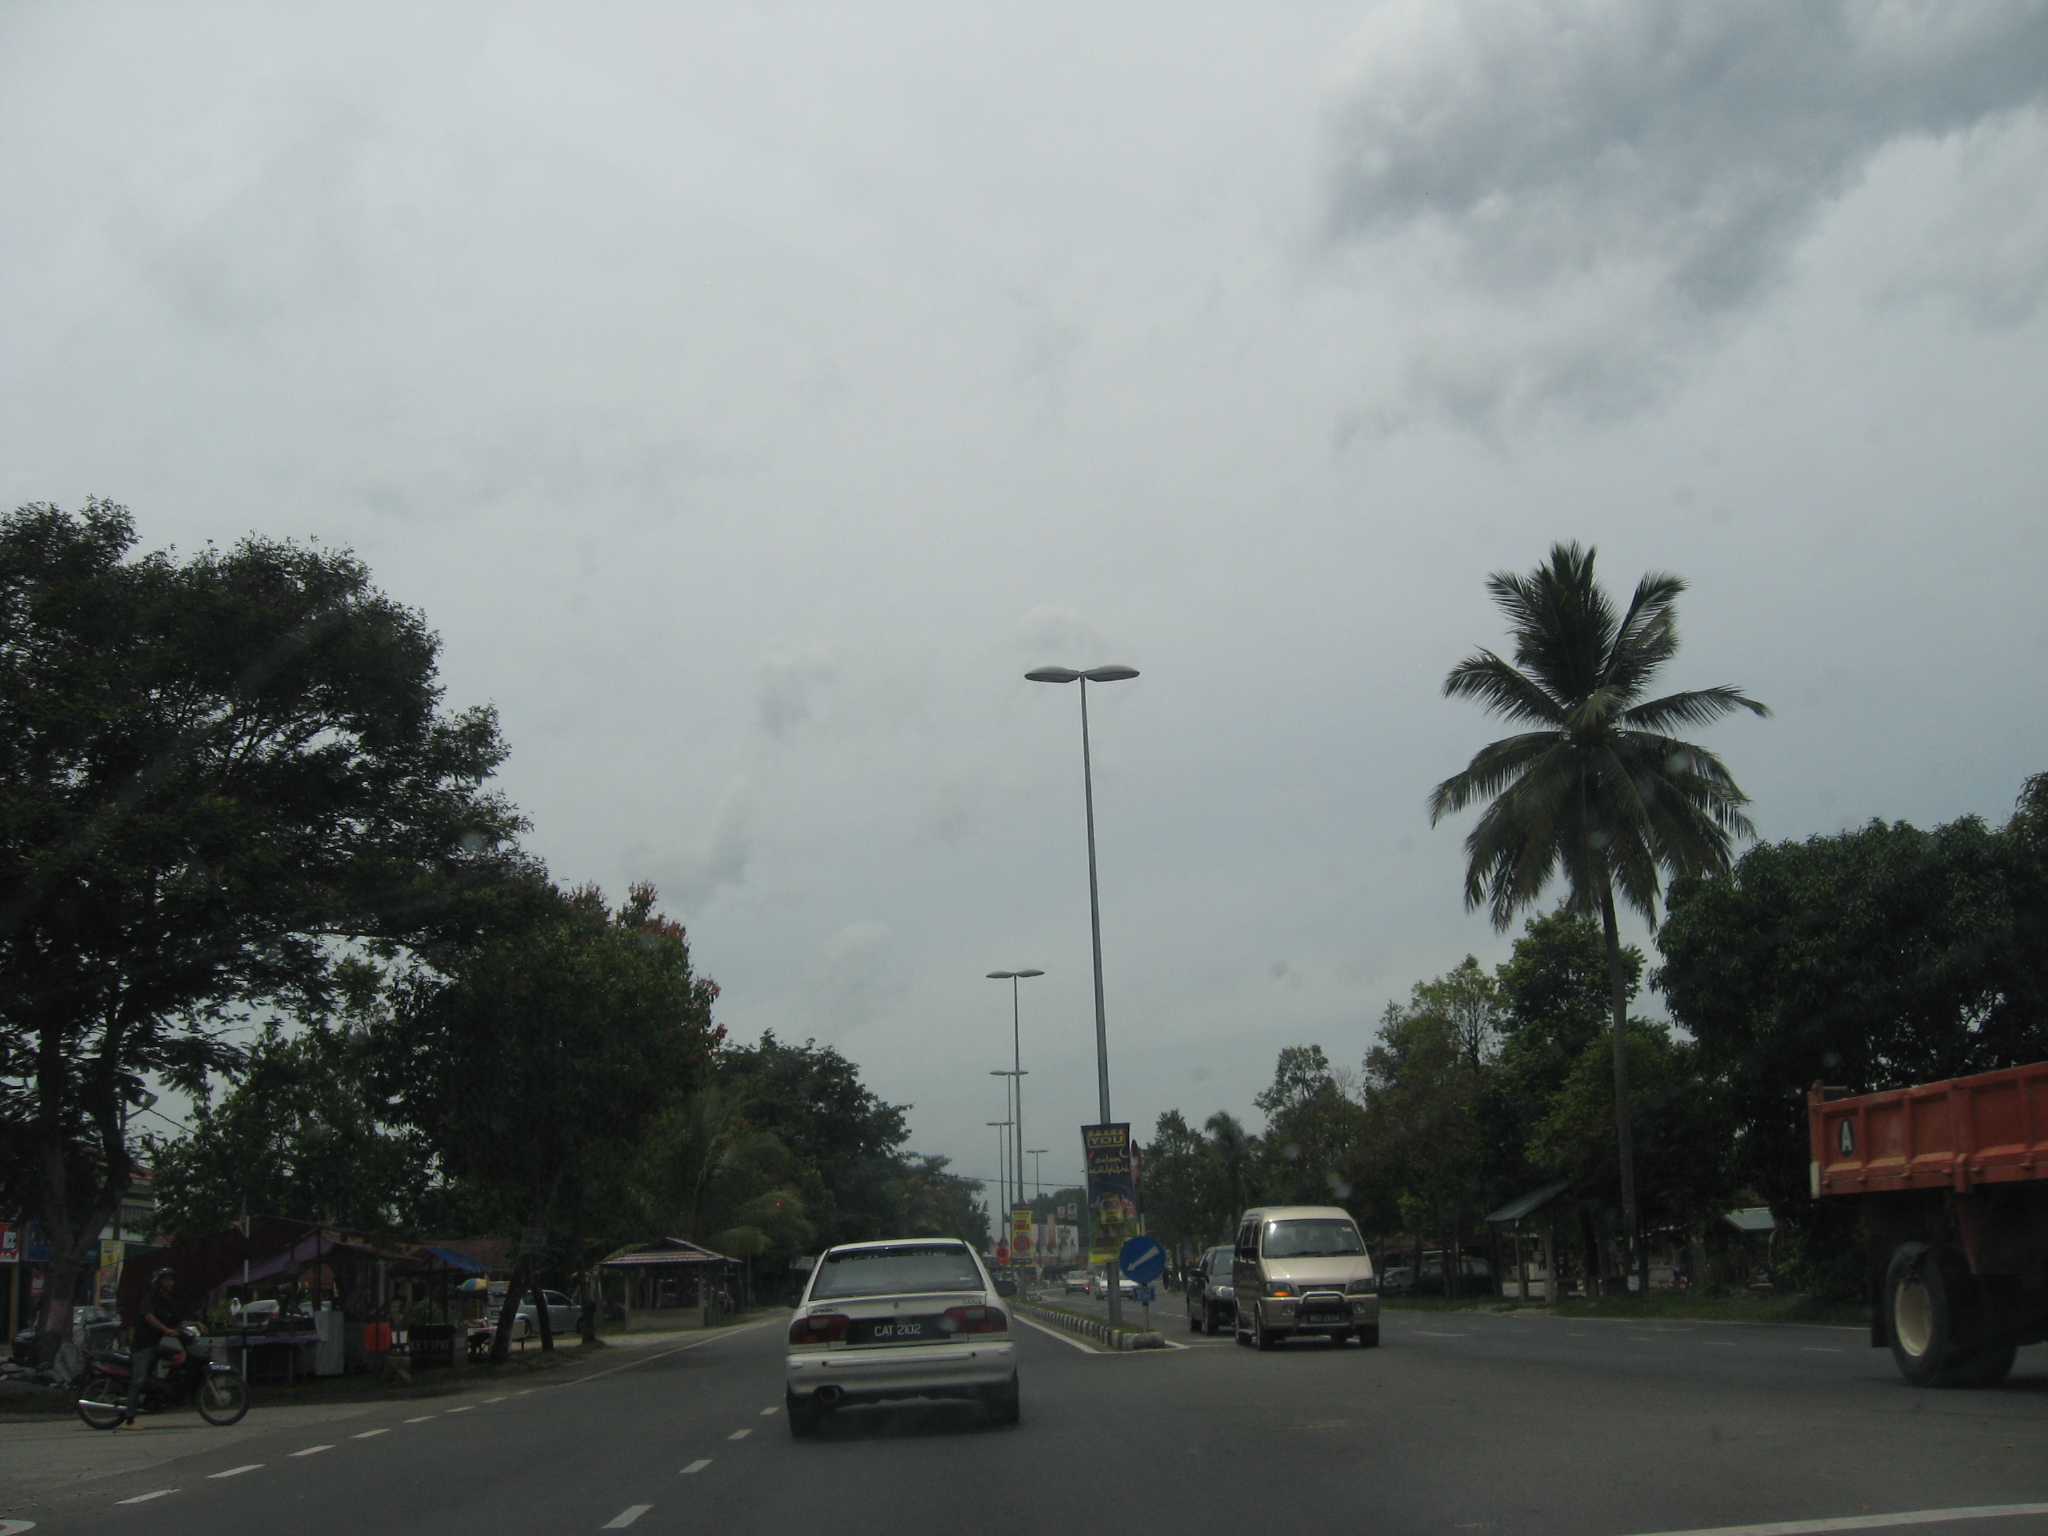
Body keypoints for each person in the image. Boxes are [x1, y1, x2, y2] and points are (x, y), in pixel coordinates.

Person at [123, 1268, 183, 1429]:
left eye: (171, 1280)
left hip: (155, 1345)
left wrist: (196, 1324)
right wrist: (166, 1329)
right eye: (166, 1280)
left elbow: (177, 1321)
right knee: (138, 1381)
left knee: (178, 1356)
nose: (169, 1283)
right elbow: (148, 1316)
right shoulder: (149, 1298)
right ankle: (129, 1420)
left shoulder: (168, 1302)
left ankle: (160, 1393)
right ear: (158, 1283)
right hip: (143, 1345)